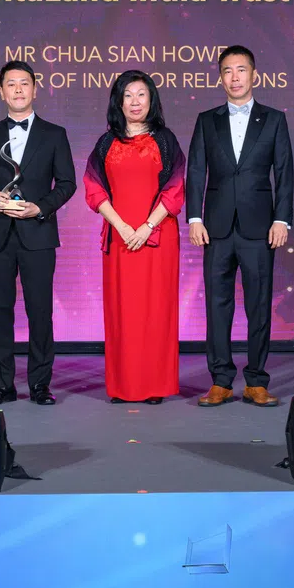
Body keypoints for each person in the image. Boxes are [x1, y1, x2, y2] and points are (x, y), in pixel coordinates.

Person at [0, 60, 77, 405]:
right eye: (10, 84)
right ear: (1, 91)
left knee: (40, 311)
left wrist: (39, 208)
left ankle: (40, 385)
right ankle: (2, 386)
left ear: (35, 89)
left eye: (24, 83)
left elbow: (67, 183)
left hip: (38, 233)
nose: (18, 90)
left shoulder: (54, 134)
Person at [186, 45, 294, 407]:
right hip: (215, 228)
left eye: (241, 70)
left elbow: (285, 172)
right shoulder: (207, 120)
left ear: (254, 75)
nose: (234, 77)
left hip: (260, 227)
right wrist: (194, 218)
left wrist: (281, 219)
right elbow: (196, 171)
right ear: (220, 78)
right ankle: (220, 380)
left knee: (258, 305)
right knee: (217, 306)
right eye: (227, 71)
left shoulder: (274, 119)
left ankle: (256, 381)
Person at [84, 70, 185, 404]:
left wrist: (146, 227)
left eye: (141, 94)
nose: (135, 102)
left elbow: (176, 188)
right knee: (122, 312)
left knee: (156, 311)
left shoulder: (165, 140)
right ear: (118, 102)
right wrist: (122, 227)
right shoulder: (106, 143)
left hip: (158, 237)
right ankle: (124, 386)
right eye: (127, 95)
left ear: (152, 99)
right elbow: (93, 188)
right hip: (120, 238)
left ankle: (154, 385)